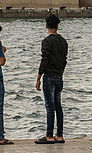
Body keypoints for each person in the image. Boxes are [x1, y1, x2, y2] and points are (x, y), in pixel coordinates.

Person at [34, 13, 68, 144]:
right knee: (58, 105)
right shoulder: (63, 41)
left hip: (49, 76)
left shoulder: (47, 41)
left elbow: (45, 60)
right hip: (59, 76)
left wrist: (38, 77)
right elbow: (64, 60)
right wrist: (60, 72)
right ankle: (59, 135)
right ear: (58, 26)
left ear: (46, 26)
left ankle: (49, 135)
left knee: (49, 106)